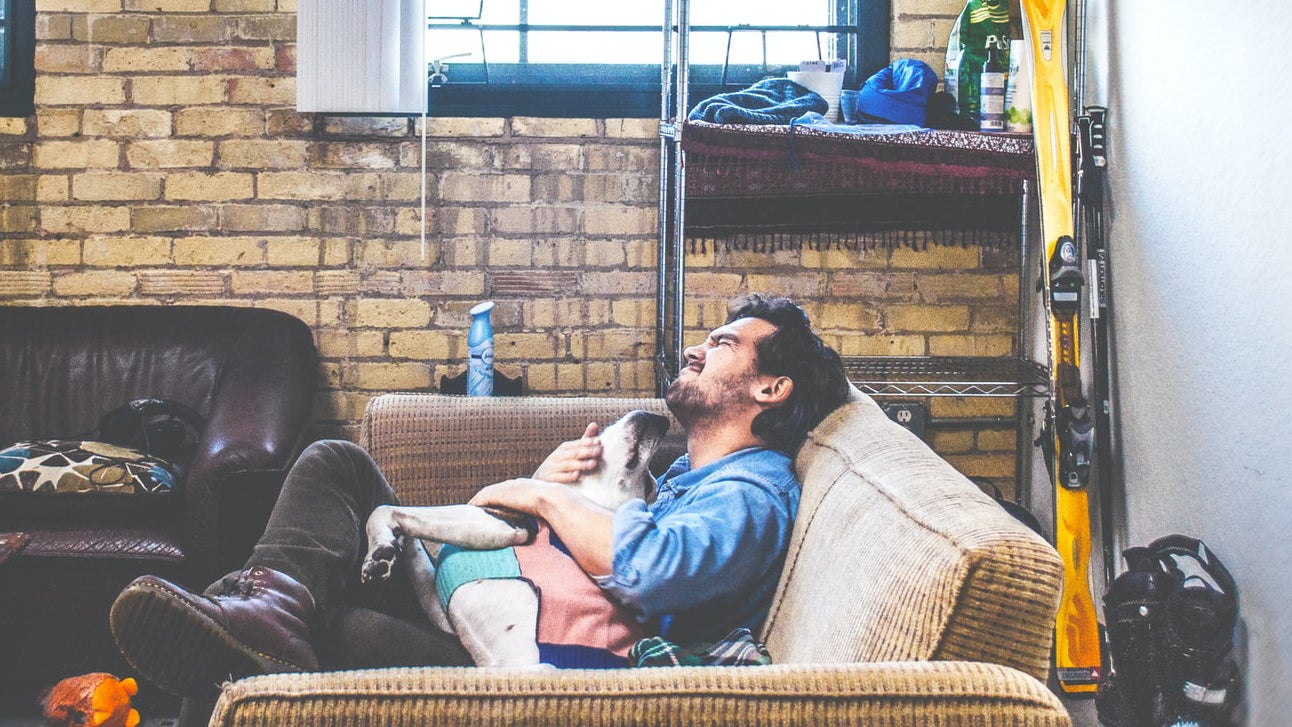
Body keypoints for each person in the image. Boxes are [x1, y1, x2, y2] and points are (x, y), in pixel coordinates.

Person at [109, 293, 850, 701]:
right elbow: (576, 554)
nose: (696, 347)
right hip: (500, 605)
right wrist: (553, 486)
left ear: (771, 387)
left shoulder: (755, 489)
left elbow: (656, 567)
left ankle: (252, 629)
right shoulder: (690, 477)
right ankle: (266, 606)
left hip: (527, 658)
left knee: (315, 630)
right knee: (339, 464)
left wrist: (547, 499)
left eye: (722, 343)